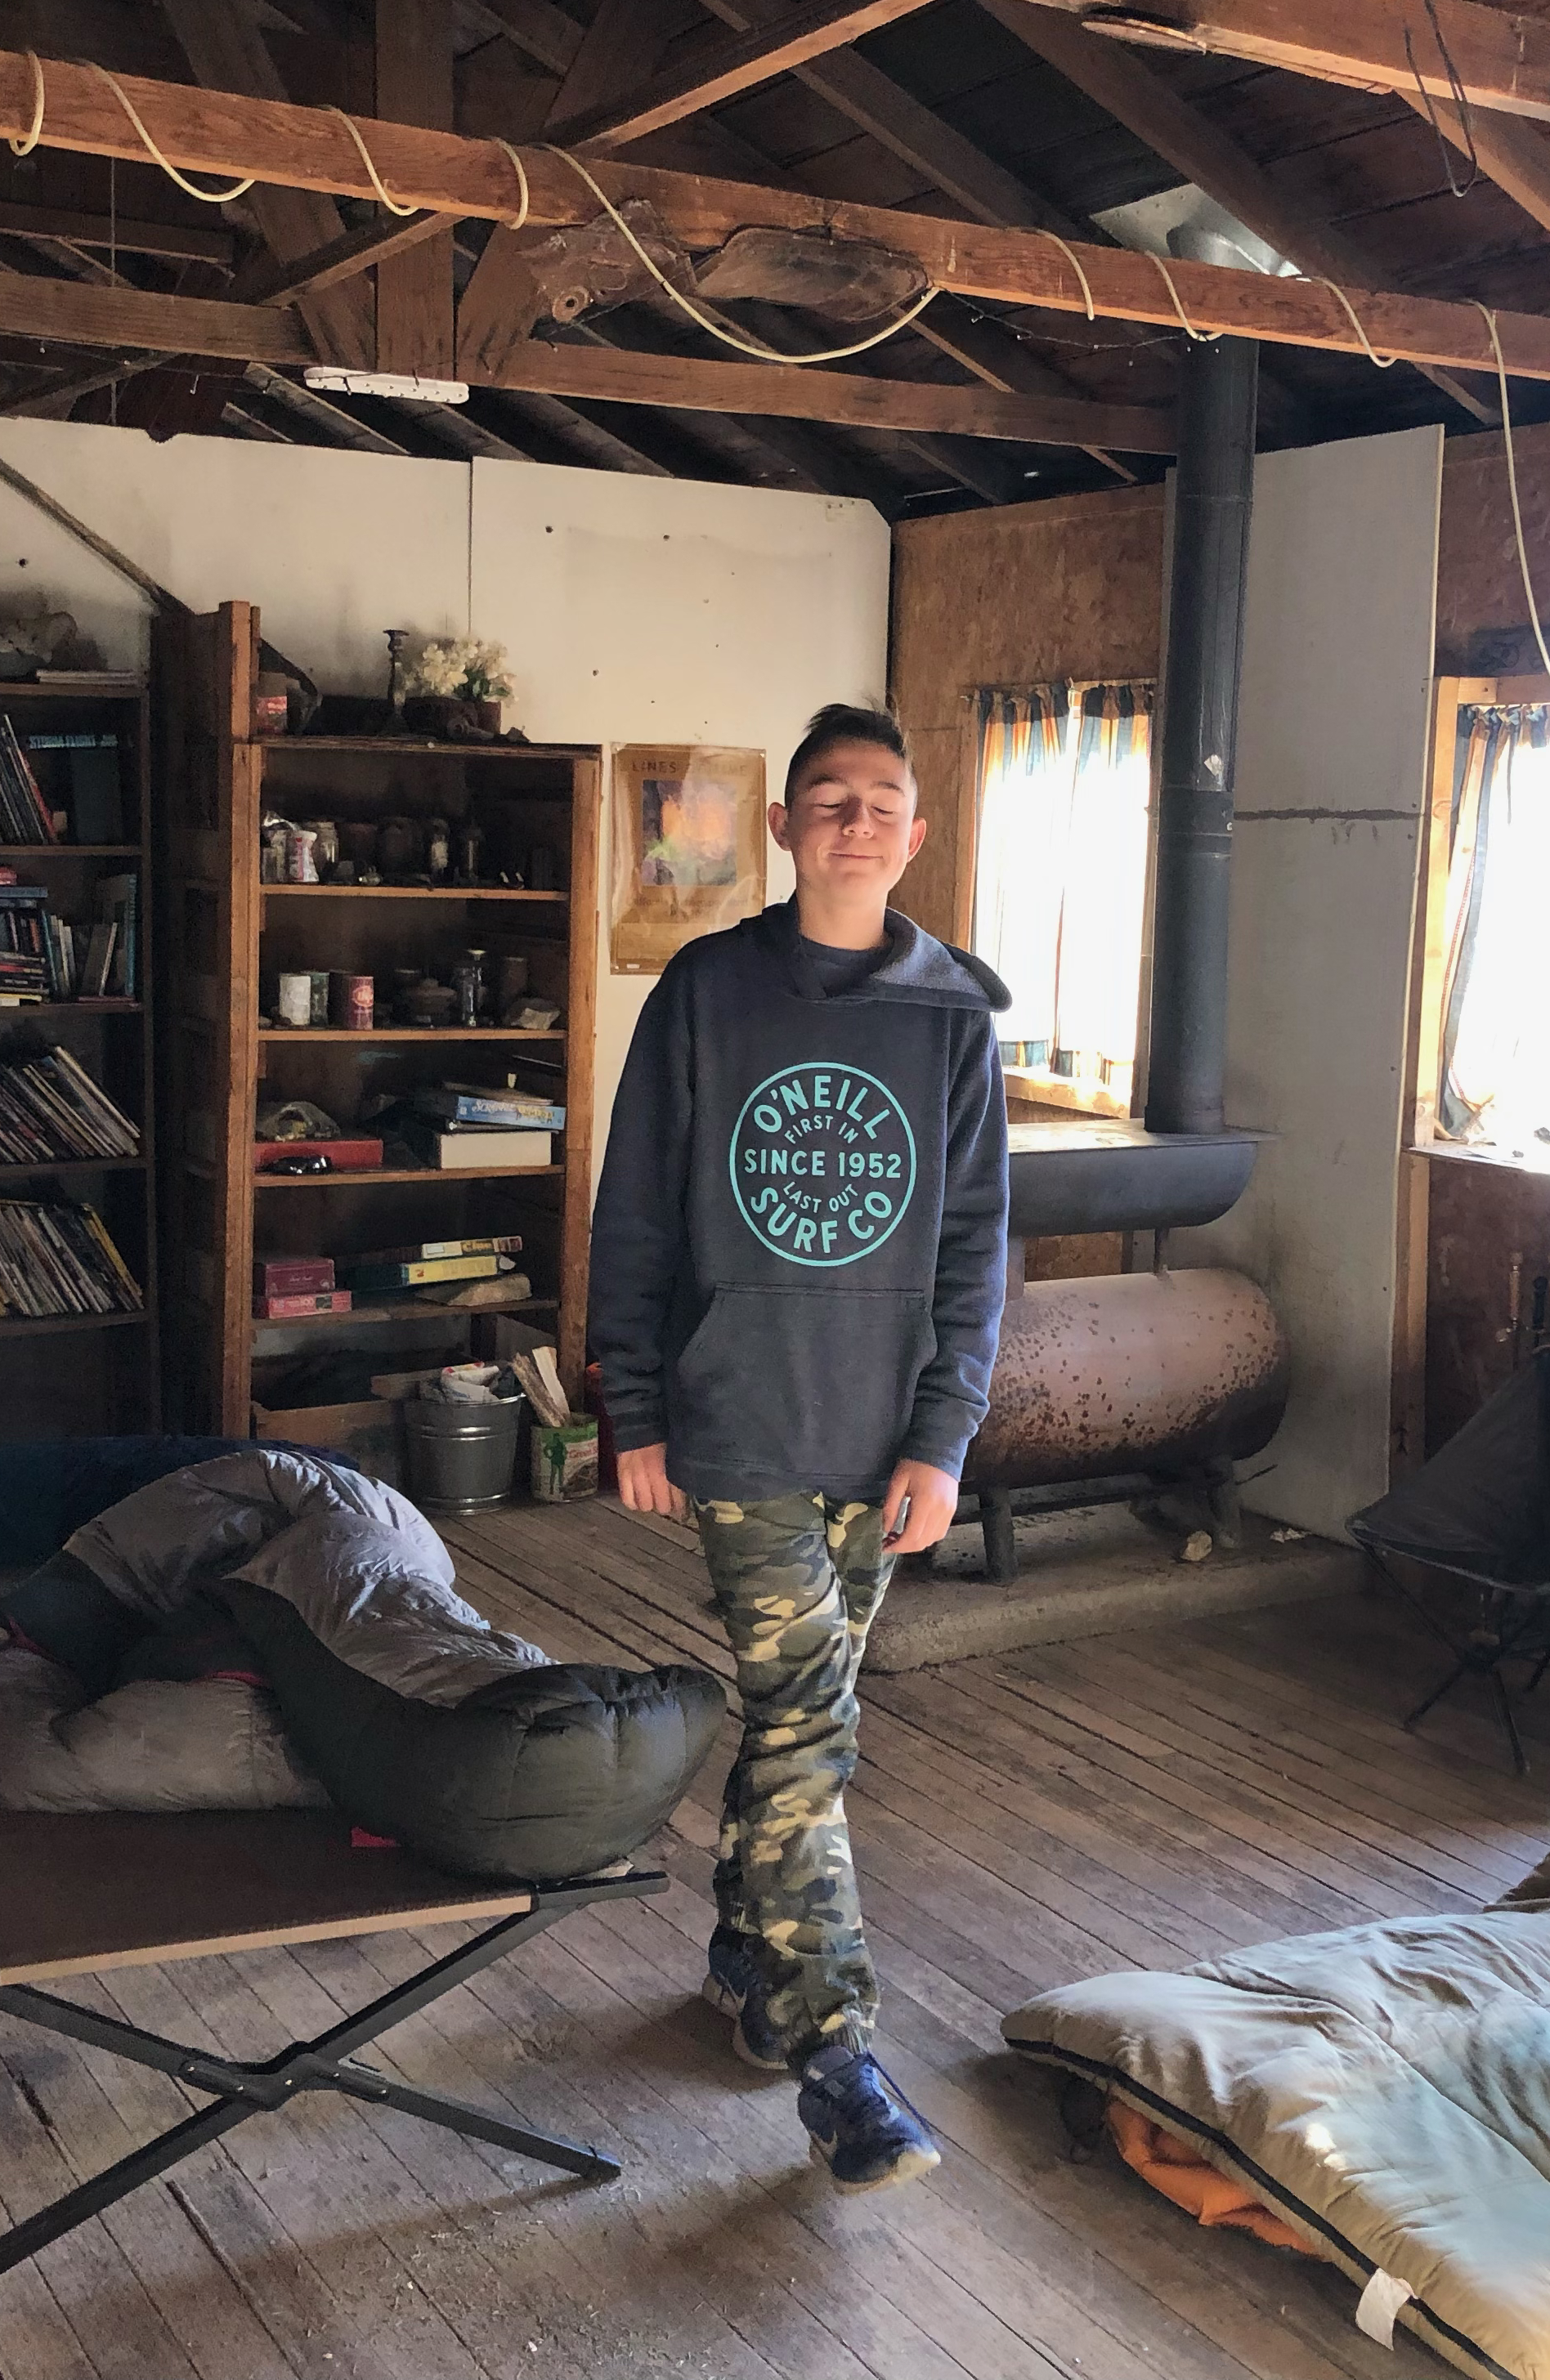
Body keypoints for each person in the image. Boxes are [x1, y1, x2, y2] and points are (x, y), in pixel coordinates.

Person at [588, 701, 1010, 2194]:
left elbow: (974, 1247)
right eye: (825, 799)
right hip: (744, 1421)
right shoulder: (708, 990)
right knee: (810, 1720)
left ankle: (739, 1960)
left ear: (917, 828)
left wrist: (944, 1436)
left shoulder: (952, 1012)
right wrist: (631, 1407)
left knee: (794, 1726)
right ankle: (837, 2061)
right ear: (783, 828)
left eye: (881, 801)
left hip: (884, 1432)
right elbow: (633, 1209)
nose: (854, 822)